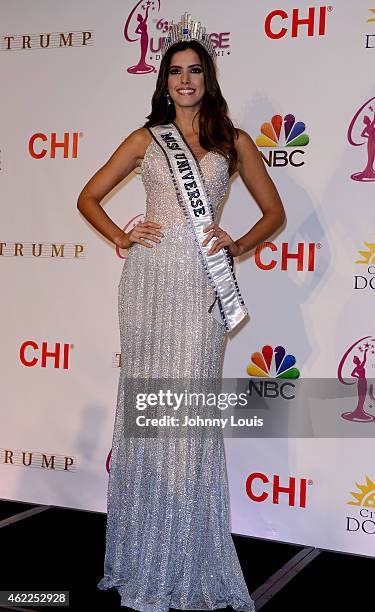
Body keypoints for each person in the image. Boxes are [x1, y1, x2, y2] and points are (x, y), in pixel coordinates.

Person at [77, 12, 285, 612]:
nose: (185, 80)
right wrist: (121, 233)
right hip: (147, 285)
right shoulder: (147, 138)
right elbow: (87, 196)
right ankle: (142, 555)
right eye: (176, 71)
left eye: (195, 70)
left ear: (208, 77)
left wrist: (238, 245)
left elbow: (273, 214)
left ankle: (186, 557)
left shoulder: (232, 140)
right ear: (163, 81)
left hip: (198, 291)